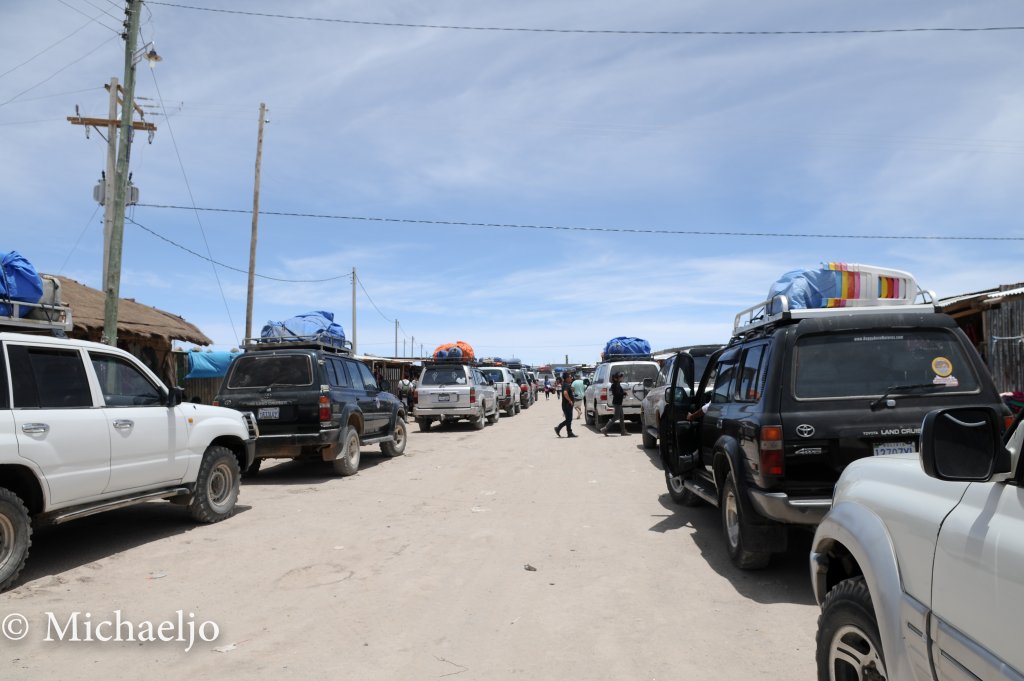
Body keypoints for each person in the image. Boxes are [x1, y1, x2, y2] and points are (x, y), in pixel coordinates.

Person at [601, 371, 627, 436]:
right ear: (616, 378)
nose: (622, 378)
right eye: (620, 377)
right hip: (617, 402)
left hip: (619, 402)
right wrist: (623, 393)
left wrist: (623, 393)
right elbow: (617, 394)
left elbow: (618, 393)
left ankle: (623, 431)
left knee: (621, 417)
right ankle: (605, 428)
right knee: (616, 417)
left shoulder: (617, 384)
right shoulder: (615, 385)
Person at [554, 372, 577, 438]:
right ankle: (558, 428)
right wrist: (570, 401)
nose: (571, 378)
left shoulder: (566, 384)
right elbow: (565, 393)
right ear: (566, 378)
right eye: (570, 377)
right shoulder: (566, 385)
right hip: (567, 405)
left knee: (569, 419)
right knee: (569, 419)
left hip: (566, 405)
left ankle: (569, 432)